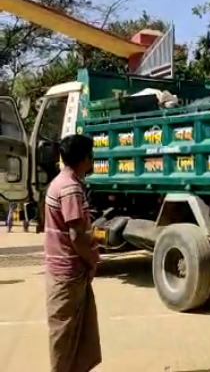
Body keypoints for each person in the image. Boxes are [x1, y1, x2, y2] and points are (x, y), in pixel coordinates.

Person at [44, 134, 102, 372]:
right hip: (68, 274)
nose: (93, 159)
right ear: (83, 159)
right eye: (91, 155)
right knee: (65, 333)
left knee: (76, 333)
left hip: (64, 272)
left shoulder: (62, 182)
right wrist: (92, 262)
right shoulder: (69, 188)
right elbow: (76, 236)